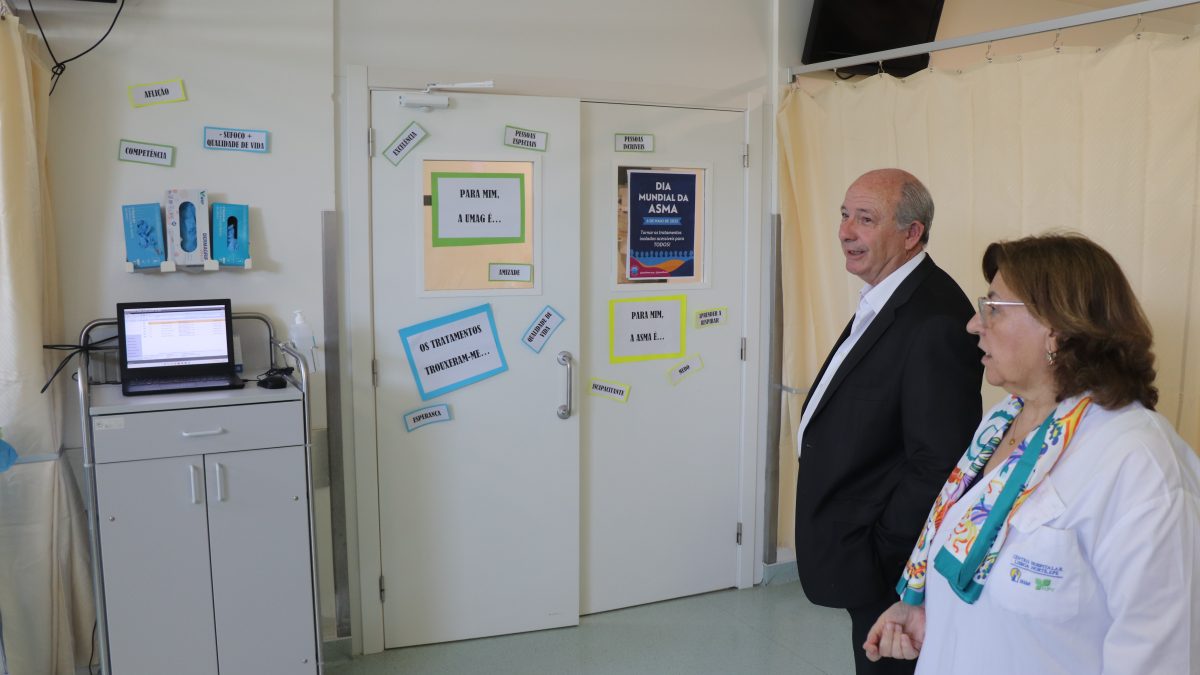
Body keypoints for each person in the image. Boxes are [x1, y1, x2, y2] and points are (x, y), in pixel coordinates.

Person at [866, 233, 1200, 673]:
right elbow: (981, 563)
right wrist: (927, 611)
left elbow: (1163, 655)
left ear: (1056, 331)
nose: (973, 324)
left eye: (994, 307)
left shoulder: (1142, 464)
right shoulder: (1002, 422)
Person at [794, 169, 984, 675]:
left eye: (865, 219)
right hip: (861, 554)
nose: (845, 231)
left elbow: (939, 462)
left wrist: (883, 558)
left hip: (885, 569)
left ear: (911, 233)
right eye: (844, 215)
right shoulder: (889, 296)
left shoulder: (935, 319)